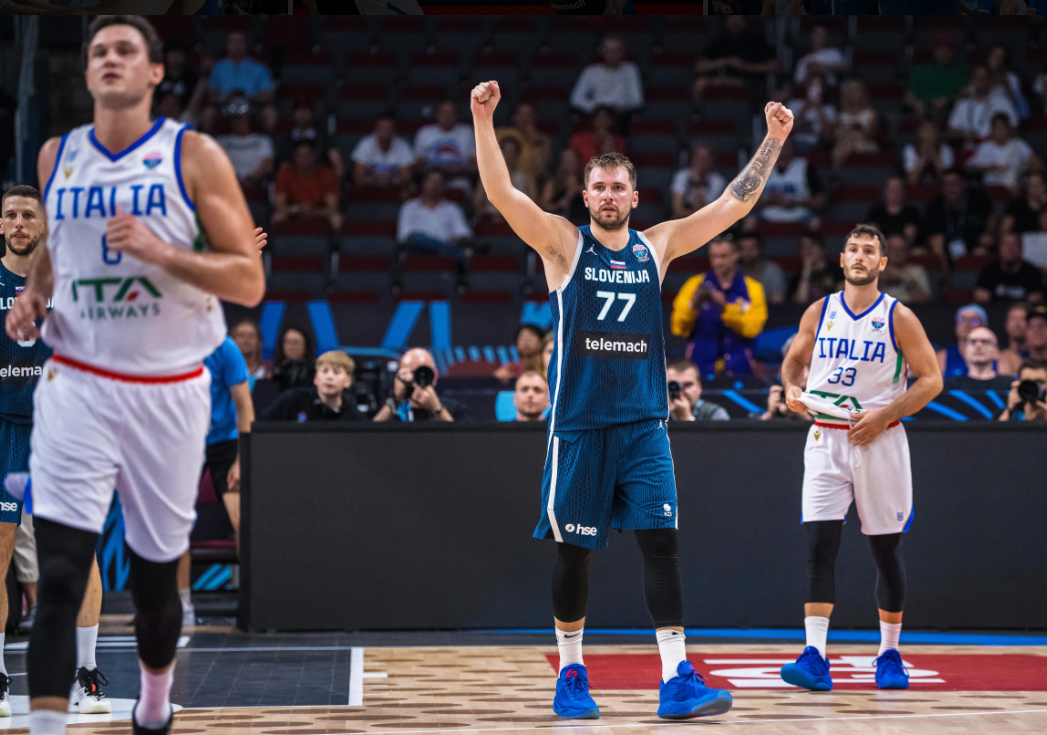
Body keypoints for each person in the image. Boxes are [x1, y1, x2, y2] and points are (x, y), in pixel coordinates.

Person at [472, 76, 794, 719]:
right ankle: (571, 672)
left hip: (646, 423)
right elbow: (503, 193)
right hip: (581, 424)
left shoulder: (658, 245)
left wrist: (774, 141)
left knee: (661, 542)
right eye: (600, 187)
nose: (610, 196)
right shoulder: (563, 243)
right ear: (585, 195)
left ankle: (676, 676)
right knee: (575, 552)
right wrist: (483, 122)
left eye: (620, 187)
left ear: (634, 197)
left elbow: (732, 205)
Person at [7, 16, 265, 735]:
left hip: (168, 390)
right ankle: (49, 727)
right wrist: (34, 296)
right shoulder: (58, 155)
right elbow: (57, 248)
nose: (109, 60)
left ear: (154, 73)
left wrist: (162, 251)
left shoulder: (194, 154)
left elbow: (247, 278)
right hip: (76, 383)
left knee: (154, 588)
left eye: (126, 50)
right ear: (87, 73)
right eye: (98, 52)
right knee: (58, 576)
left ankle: (154, 701)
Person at [778, 224, 943, 693]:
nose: (859, 255)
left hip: (880, 438)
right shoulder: (819, 310)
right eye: (853, 248)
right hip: (825, 436)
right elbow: (794, 360)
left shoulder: (899, 316)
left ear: (883, 264)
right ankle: (814, 656)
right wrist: (791, 386)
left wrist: (885, 414)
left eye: (869, 250)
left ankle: (889, 653)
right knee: (819, 549)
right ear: (842, 258)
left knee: (885, 550)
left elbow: (931, 380)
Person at [0, 186, 112, 717]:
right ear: (1, 225)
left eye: (28, 215)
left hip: (60, 430)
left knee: (77, 553)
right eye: (11, 216)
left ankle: (85, 673)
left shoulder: (72, 281)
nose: (19, 223)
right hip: (3, 430)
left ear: (44, 226)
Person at [177, 334, 254, 626]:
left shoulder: (225, 347)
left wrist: (241, 458)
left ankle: (251, 602)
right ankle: (182, 605)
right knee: (175, 524)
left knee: (242, 522)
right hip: (183, 440)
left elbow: (245, 406)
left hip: (226, 442)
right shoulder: (168, 342)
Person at [671, 237, 768, 377]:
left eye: (723, 256)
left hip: (740, 369)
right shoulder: (694, 285)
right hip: (699, 369)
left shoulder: (753, 288)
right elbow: (678, 328)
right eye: (714, 256)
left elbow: (752, 329)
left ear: (736, 255)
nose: (717, 262)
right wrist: (693, 305)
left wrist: (725, 307)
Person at [693, 16, 777, 106]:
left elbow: (774, 66)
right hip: (722, 79)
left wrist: (744, 66)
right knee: (700, 83)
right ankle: (698, 116)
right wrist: (724, 61)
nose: (734, 22)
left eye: (738, 18)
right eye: (731, 18)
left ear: (744, 21)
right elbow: (698, 67)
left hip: (750, 82)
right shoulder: (718, 43)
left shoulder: (757, 41)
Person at [261, 350, 364, 421]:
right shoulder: (293, 400)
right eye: (325, 371)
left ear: (348, 381)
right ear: (316, 378)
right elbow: (261, 425)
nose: (329, 377)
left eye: (336, 372)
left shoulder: (354, 417)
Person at [373, 347, 470, 422]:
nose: (415, 380)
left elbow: (465, 443)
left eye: (422, 373)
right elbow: (367, 438)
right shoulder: (392, 411)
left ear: (434, 375)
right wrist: (396, 400)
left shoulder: (455, 409)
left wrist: (436, 409)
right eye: (407, 373)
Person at [569, 36, 644, 132]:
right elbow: (576, 99)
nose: (612, 54)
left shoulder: (631, 70)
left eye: (616, 50)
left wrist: (619, 106)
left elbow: (637, 100)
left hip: (620, 116)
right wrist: (598, 107)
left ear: (622, 52)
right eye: (609, 50)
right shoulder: (591, 71)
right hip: (595, 114)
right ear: (603, 52)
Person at [396, 169, 473, 261]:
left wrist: (455, 239)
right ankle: (451, 250)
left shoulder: (452, 208)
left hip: (445, 258)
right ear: (424, 183)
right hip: (417, 253)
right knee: (418, 238)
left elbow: (464, 234)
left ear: (443, 186)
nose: (435, 185)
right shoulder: (409, 207)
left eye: (439, 182)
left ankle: (444, 250)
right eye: (432, 181)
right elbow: (405, 236)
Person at [925, 169, 994, 265]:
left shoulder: (978, 201)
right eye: (947, 185)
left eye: (954, 184)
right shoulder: (936, 206)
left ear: (964, 184)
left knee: (982, 252)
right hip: (946, 252)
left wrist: (987, 235)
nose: (951, 188)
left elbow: (990, 224)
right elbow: (936, 240)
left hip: (973, 248)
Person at [272, 140, 342, 235]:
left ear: (314, 156)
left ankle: (334, 248)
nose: (304, 159)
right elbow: (279, 205)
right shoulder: (285, 172)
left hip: (319, 212)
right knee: (277, 218)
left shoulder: (326, 173)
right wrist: (297, 209)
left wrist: (313, 212)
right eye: (300, 155)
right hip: (294, 212)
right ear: (294, 156)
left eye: (307, 155)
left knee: (336, 219)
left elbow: (332, 207)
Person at [755, 137, 826, 224]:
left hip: (800, 213)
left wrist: (797, 202)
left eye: (786, 145)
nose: (783, 148)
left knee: (815, 221)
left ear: (793, 146)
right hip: (769, 213)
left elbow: (820, 199)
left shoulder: (805, 166)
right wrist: (771, 200)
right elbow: (752, 201)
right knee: (749, 219)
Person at [413, 100, 477, 195]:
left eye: (450, 113)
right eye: (443, 112)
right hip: (431, 178)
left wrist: (457, 169)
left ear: (456, 115)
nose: (446, 116)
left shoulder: (467, 132)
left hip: (458, 178)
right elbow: (417, 165)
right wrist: (436, 169)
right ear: (437, 114)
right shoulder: (424, 132)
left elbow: (474, 164)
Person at [946, 65, 1018, 149]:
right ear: (973, 80)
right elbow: (951, 131)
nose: (980, 81)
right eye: (978, 77)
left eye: (984, 77)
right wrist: (963, 134)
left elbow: (1015, 129)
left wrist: (996, 135)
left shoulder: (1003, 102)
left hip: (994, 149)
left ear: (990, 80)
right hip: (966, 150)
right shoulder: (962, 104)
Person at [965, 114, 1040, 193]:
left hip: (1014, 188)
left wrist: (1028, 166)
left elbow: (1036, 163)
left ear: (1009, 128)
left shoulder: (1019, 144)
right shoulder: (985, 147)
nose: (1000, 131)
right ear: (992, 129)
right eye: (997, 127)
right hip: (990, 188)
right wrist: (989, 167)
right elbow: (969, 168)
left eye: (1002, 127)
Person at [905, 33, 970, 121]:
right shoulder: (920, 71)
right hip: (923, 115)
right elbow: (908, 98)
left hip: (949, 114)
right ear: (934, 51)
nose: (943, 53)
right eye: (940, 50)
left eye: (947, 50)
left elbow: (966, 95)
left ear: (952, 52)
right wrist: (916, 103)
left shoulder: (960, 72)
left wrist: (948, 100)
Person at [208, 30, 275, 110]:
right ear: (227, 45)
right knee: (208, 111)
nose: (236, 45)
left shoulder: (260, 68)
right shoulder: (218, 67)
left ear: (246, 44)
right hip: (224, 106)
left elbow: (268, 93)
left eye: (239, 42)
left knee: (269, 111)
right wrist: (222, 99)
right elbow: (211, 93)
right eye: (233, 42)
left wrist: (253, 99)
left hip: (252, 106)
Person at [215, 97, 274, 188]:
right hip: (228, 185)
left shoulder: (262, 140)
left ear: (249, 118)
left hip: (256, 184)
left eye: (242, 118)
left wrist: (250, 177)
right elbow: (217, 165)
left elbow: (268, 165)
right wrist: (235, 178)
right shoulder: (221, 141)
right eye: (234, 118)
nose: (238, 122)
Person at [475, 138, 537, 222]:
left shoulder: (525, 177)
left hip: (519, 220)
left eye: (511, 152)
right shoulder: (488, 176)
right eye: (505, 152)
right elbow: (477, 202)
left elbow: (533, 203)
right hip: (493, 217)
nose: (508, 155)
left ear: (517, 155)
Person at [279, 101, 343, 182]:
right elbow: (283, 166)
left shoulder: (324, 138)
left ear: (312, 113)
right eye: (298, 110)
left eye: (306, 110)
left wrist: (334, 185)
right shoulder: (285, 139)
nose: (302, 113)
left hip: (320, 181)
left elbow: (336, 162)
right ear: (293, 113)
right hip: (293, 182)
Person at [974, 232, 1045, 304]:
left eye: (1013, 245)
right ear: (999, 248)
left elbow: (1036, 298)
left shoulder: (1032, 272)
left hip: (1022, 312)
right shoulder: (989, 271)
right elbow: (980, 295)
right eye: (1006, 245)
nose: (1009, 249)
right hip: (994, 312)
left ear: (1021, 248)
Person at [496, 103, 551, 188]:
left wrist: (533, 138)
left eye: (528, 115)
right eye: (522, 115)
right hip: (504, 179)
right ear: (516, 117)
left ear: (533, 117)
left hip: (530, 184)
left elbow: (540, 170)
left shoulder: (541, 140)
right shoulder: (503, 133)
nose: (525, 119)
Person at [351, 115, 413, 190]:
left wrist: (391, 180)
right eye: (382, 128)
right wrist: (374, 180)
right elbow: (358, 179)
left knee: (406, 191)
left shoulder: (403, 145)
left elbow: (406, 179)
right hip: (369, 191)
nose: (386, 133)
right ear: (375, 130)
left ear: (395, 131)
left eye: (389, 129)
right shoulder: (365, 144)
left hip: (395, 191)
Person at [944, 326, 1014, 392]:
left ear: (996, 352)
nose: (978, 345)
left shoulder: (1010, 385)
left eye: (985, 341)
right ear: (965, 351)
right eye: (973, 341)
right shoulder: (951, 386)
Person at [832, 80, 879, 176]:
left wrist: (856, 130)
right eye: (850, 90)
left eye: (856, 90)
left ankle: (836, 172)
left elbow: (871, 134)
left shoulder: (870, 115)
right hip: (844, 143)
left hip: (866, 145)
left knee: (847, 143)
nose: (853, 93)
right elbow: (835, 135)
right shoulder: (841, 116)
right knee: (846, 143)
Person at [671, 145, 728, 221]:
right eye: (699, 158)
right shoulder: (682, 176)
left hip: (708, 223)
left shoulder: (718, 181)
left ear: (711, 160)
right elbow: (678, 210)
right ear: (692, 159)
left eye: (705, 158)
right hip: (682, 221)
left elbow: (706, 211)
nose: (702, 162)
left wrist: (697, 183)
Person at [864, 177, 922, 247]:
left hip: (905, 249)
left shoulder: (911, 213)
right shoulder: (875, 213)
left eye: (898, 189)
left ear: (903, 191)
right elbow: (872, 236)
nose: (895, 192)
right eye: (892, 189)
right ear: (885, 191)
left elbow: (910, 238)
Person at [787, 74, 837, 154]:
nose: (815, 90)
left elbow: (828, 136)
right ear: (807, 87)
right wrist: (804, 109)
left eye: (818, 86)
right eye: (812, 85)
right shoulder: (794, 105)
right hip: (795, 143)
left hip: (818, 145)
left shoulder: (829, 110)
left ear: (823, 89)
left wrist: (820, 109)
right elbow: (789, 130)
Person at [937, 304, 989, 378]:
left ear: (984, 326)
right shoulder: (942, 358)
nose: (967, 324)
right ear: (956, 325)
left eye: (974, 320)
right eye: (962, 319)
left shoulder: (997, 358)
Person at [792, 231, 843, 304]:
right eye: (803, 247)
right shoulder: (797, 278)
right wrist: (806, 271)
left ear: (822, 248)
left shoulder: (837, 272)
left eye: (811, 246)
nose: (807, 251)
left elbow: (842, 300)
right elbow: (799, 303)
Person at [880, 235, 931, 304]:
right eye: (893, 248)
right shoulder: (875, 272)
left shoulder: (917, 271)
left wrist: (906, 280)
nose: (897, 252)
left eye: (902, 249)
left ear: (907, 251)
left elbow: (925, 301)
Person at [540, 148, 588, 222]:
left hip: (584, 222)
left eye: (571, 159)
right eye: (566, 159)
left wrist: (579, 190)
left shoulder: (587, 182)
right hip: (559, 222)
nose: (569, 162)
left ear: (578, 160)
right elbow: (543, 206)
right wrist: (559, 204)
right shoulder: (553, 183)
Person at [903, 119, 955, 187]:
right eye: (926, 130)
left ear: (937, 132)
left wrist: (934, 156)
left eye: (932, 130)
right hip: (918, 190)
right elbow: (912, 180)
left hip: (940, 190)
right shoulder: (910, 149)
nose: (929, 134)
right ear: (919, 132)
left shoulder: (945, 149)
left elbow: (946, 180)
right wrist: (923, 158)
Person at [738, 233, 786, 304]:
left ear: (760, 249)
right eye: (744, 249)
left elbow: (778, 303)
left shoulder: (773, 271)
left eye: (752, 248)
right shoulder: (734, 271)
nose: (748, 253)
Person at [271, 326, 315, 392]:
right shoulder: (273, 370)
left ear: (305, 345)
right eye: (288, 342)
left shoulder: (314, 371)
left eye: (296, 342)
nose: (291, 346)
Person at [229, 318, 267, 387]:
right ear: (231, 341)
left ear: (259, 342)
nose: (246, 339)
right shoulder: (223, 374)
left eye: (251, 336)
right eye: (241, 335)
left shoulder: (269, 373)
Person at [998, 302, 1029, 376]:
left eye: (1022, 319)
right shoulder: (999, 356)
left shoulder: (1037, 355)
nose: (1017, 324)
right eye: (1013, 319)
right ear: (1006, 324)